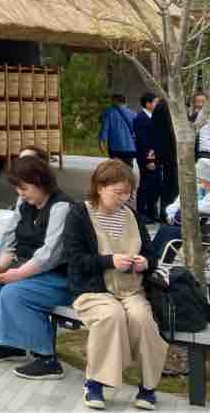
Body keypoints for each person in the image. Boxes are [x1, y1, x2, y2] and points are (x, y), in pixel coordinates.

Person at [63, 159, 166, 410]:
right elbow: (75, 259)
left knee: (142, 318)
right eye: (118, 192)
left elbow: (151, 255)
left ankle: (148, 387)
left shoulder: (132, 216)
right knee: (111, 315)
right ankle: (95, 383)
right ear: (100, 187)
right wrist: (110, 261)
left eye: (128, 193)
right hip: (92, 289)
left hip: (131, 289)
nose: (124, 198)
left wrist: (144, 263)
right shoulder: (79, 214)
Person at [0, 155, 74, 380]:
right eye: (17, 188)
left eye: (24, 188)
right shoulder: (24, 203)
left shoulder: (62, 207)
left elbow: (49, 255)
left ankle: (47, 360)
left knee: (14, 293)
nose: (20, 193)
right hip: (30, 272)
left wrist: (17, 274)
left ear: (41, 183)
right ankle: (12, 343)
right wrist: (1, 267)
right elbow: (10, 237)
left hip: (60, 277)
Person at [152, 157, 210, 259]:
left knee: (172, 232)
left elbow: (203, 208)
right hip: (188, 223)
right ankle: (151, 257)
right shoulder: (196, 187)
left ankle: (161, 259)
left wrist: (185, 207)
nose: (200, 181)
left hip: (204, 228)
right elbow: (175, 204)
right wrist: (173, 213)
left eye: (202, 179)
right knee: (165, 229)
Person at [134, 94, 160, 221]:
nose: (157, 105)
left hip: (155, 157)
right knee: (145, 185)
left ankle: (151, 212)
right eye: (155, 102)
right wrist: (150, 160)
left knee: (154, 185)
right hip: (146, 158)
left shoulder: (153, 116)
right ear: (148, 104)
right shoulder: (141, 118)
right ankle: (141, 213)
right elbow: (144, 142)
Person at [152, 99, 178, 214]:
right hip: (170, 154)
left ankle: (165, 212)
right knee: (171, 185)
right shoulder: (167, 106)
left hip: (165, 153)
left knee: (168, 184)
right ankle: (167, 213)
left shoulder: (161, 106)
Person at [98, 94, 137, 169]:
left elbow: (105, 129)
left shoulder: (109, 113)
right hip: (130, 148)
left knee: (115, 169)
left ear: (115, 101)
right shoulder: (133, 114)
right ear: (125, 102)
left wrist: (101, 142)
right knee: (128, 169)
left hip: (115, 148)